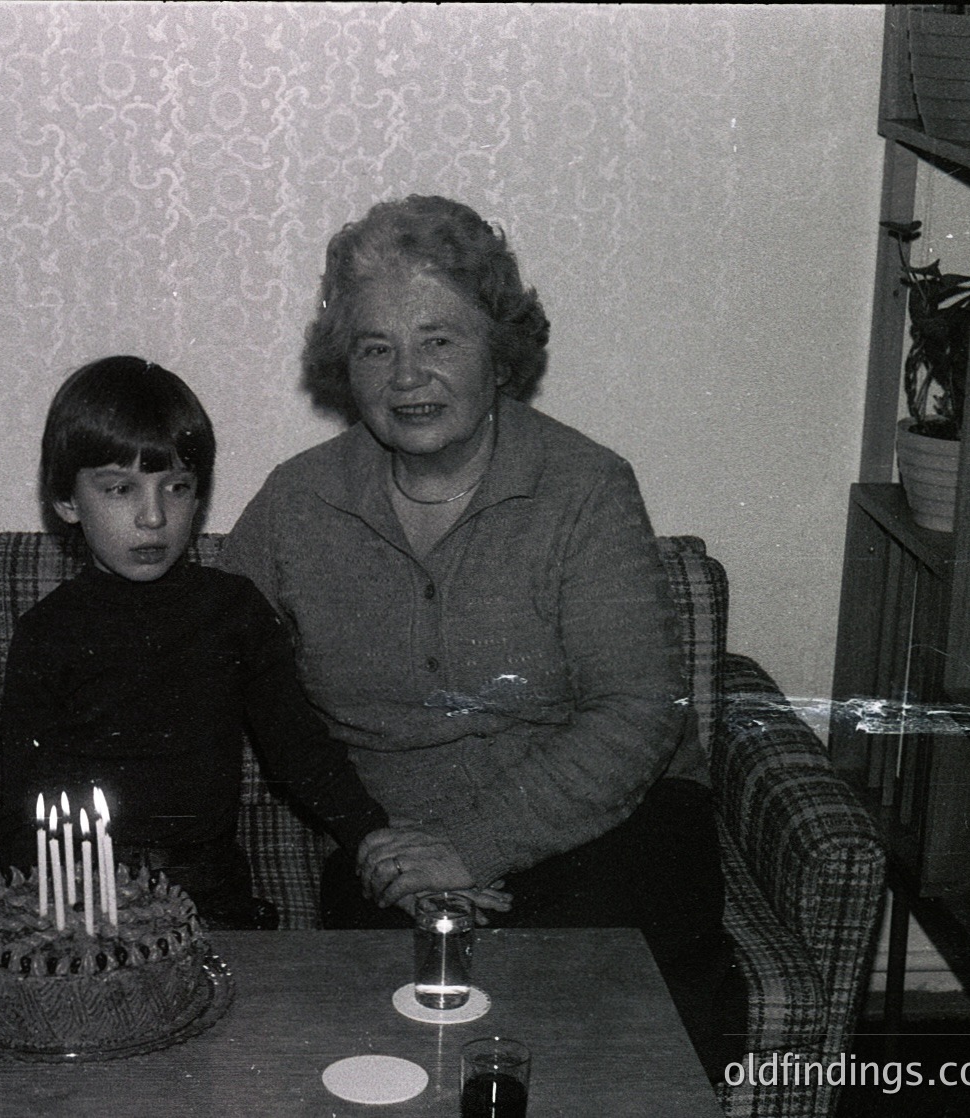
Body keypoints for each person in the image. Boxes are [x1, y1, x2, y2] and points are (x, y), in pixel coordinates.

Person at [219, 195, 740, 1076]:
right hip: (396, 849)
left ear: (500, 354)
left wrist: (471, 848)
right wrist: (391, 845)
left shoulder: (584, 488)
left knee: (603, 1027)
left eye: (439, 341)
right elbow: (209, 653)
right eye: (375, 348)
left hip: (609, 827)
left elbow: (639, 710)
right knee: (382, 1040)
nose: (406, 376)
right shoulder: (297, 503)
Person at [0, 355, 396, 930]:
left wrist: (374, 838)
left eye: (177, 487)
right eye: (119, 490)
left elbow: (301, 752)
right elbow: (23, 806)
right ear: (66, 502)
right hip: (86, 893)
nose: (153, 517)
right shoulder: (48, 631)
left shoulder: (233, 611)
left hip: (206, 890)